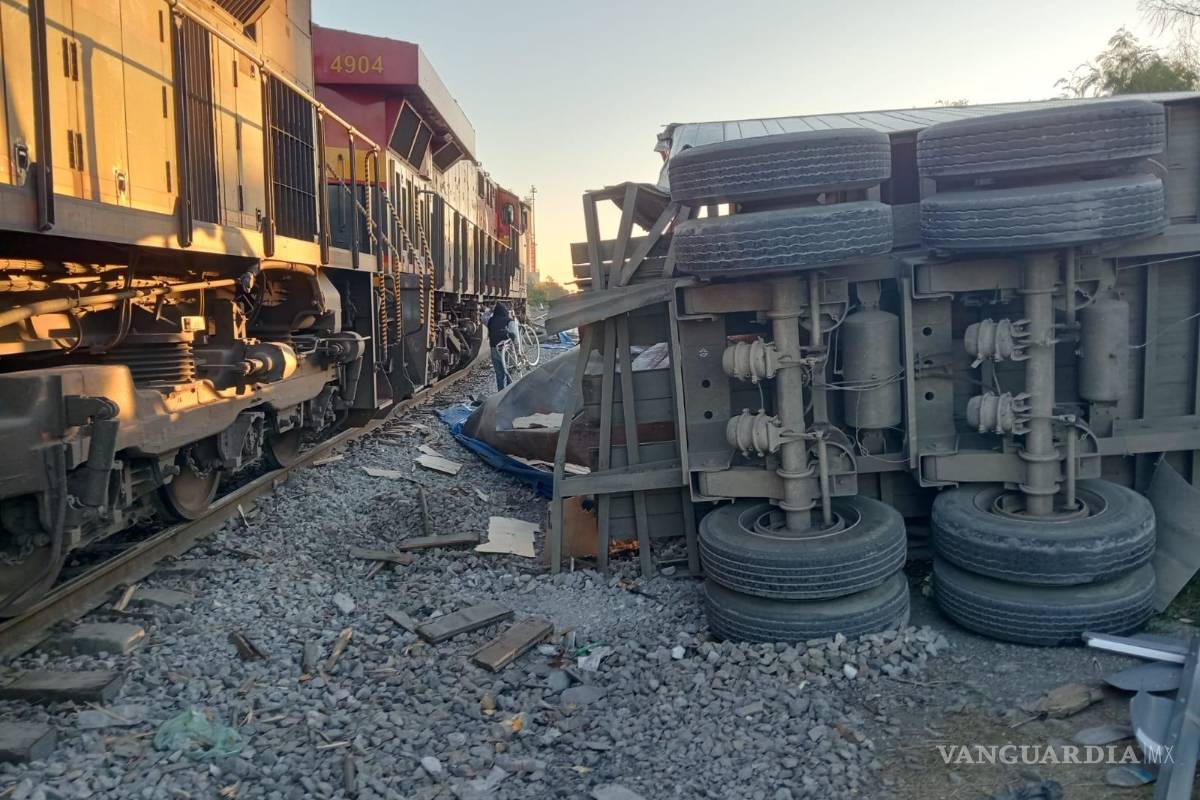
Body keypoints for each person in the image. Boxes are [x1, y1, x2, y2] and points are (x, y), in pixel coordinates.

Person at [485, 302, 518, 391]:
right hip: (506, 350)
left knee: (499, 374)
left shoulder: (490, 320)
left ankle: (500, 393)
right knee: (509, 372)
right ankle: (508, 392)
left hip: (494, 349)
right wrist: (517, 350)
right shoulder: (509, 321)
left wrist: (489, 311)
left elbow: (483, 317)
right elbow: (515, 338)